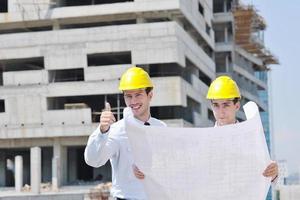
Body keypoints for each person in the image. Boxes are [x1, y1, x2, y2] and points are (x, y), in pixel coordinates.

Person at [134, 75, 278, 182]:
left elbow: (264, 174)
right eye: (216, 105)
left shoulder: (250, 138)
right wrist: (144, 169)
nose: (220, 111)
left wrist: (274, 173)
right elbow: (178, 170)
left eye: (226, 105)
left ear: (237, 106)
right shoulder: (202, 142)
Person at [84, 66, 166, 200]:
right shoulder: (116, 130)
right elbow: (94, 160)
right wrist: (102, 131)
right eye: (128, 96)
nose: (133, 101)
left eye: (138, 94)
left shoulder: (161, 128)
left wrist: (152, 170)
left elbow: (169, 165)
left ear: (150, 95)